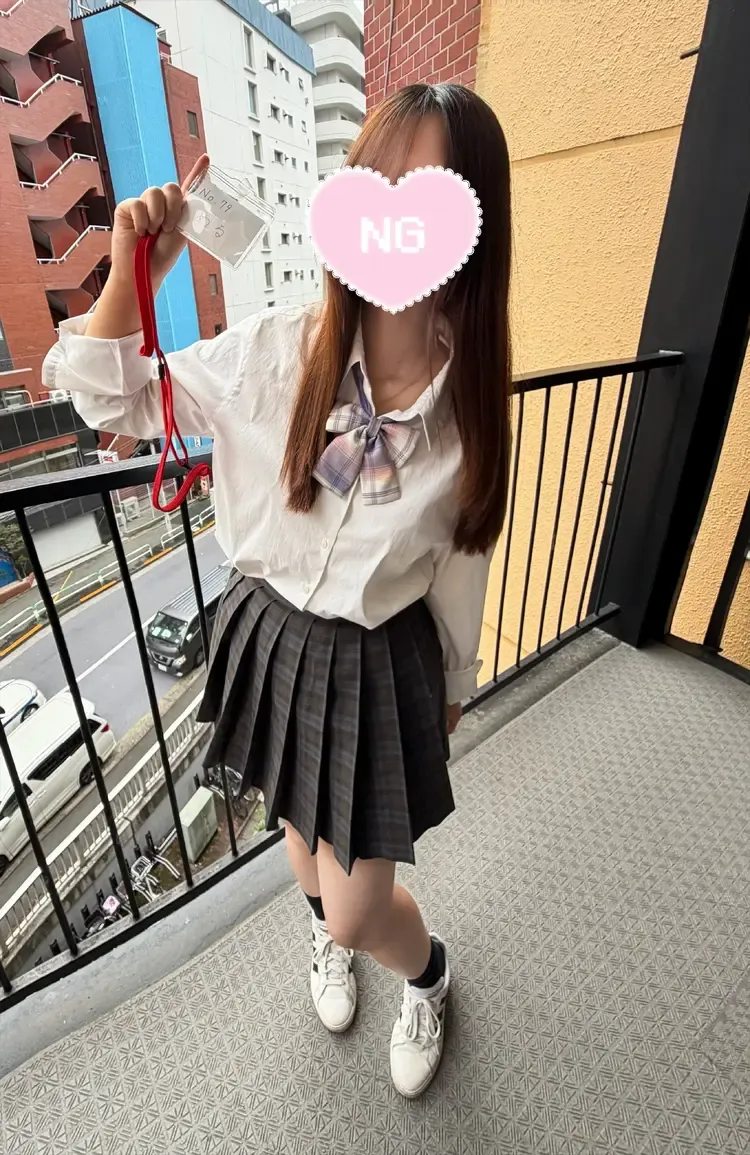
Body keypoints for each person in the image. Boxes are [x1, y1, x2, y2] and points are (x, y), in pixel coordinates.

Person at [43, 82, 512, 1099]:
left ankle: (427, 976)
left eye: (425, 191)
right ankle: (328, 935)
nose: (393, 215)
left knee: (357, 904)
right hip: (270, 630)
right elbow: (106, 395)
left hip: (378, 657)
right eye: (378, 181)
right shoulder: (274, 353)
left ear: (472, 226)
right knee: (299, 841)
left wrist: (452, 689)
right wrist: (135, 275)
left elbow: (460, 567)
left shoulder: (469, 412)